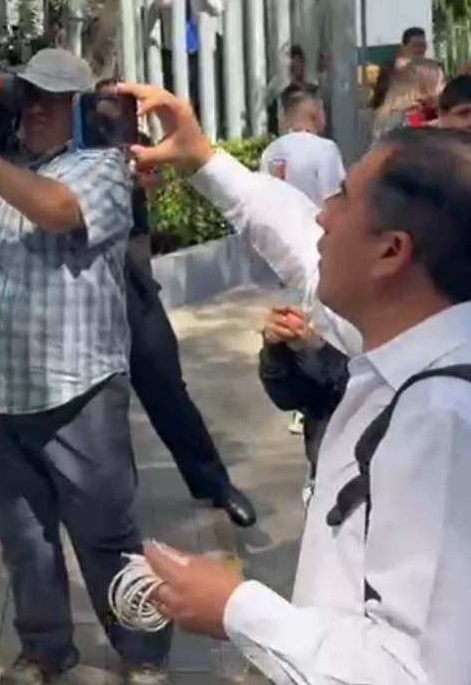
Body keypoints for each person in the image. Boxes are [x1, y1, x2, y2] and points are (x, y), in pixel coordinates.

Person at [120, 79, 471, 684]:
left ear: (392, 253)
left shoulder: (440, 420)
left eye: (342, 200)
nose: (322, 216)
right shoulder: (410, 334)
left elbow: (411, 672)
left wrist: (235, 608)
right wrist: (202, 158)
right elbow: (297, 242)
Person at [0, 48, 171, 684]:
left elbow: (58, 211)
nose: (35, 110)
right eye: (29, 96)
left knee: (108, 539)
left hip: (76, 393)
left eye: (52, 100)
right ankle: (45, 652)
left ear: (79, 108)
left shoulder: (100, 168)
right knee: (24, 543)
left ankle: (143, 658)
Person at [96, 80, 257, 528]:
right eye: (102, 107)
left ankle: (214, 484)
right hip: (78, 288)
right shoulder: (65, 152)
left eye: (121, 108)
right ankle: (106, 508)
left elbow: (154, 180)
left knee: (166, 386)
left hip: (131, 281)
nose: (111, 117)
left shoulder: (136, 147)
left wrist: (138, 174)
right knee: (95, 407)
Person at [258, 306, 349, 484]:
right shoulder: (319, 304)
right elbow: (287, 397)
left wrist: (317, 350)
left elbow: (364, 387)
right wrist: (276, 348)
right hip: (325, 471)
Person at [145, 0, 223, 115]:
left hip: (199, 52)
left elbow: (217, 9)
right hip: (174, 51)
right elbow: (159, 6)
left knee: (201, 95)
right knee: (176, 94)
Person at [259, 88, 347, 206]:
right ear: (316, 115)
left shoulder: (269, 152)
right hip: (314, 217)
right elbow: (334, 201)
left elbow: (264, 200)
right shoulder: (325, 148)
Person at [373, 58, 445, 139]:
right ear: (426, 85)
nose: (444, 86)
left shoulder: (395, 110)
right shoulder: (412, 112)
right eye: (441, 82)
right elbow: (416, 131)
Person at [370, 27, 429, 110]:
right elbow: (378, 103)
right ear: (404, 47)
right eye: (416, 45)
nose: (420, 49)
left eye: (423, 45)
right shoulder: (390, 70)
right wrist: (398, 104)